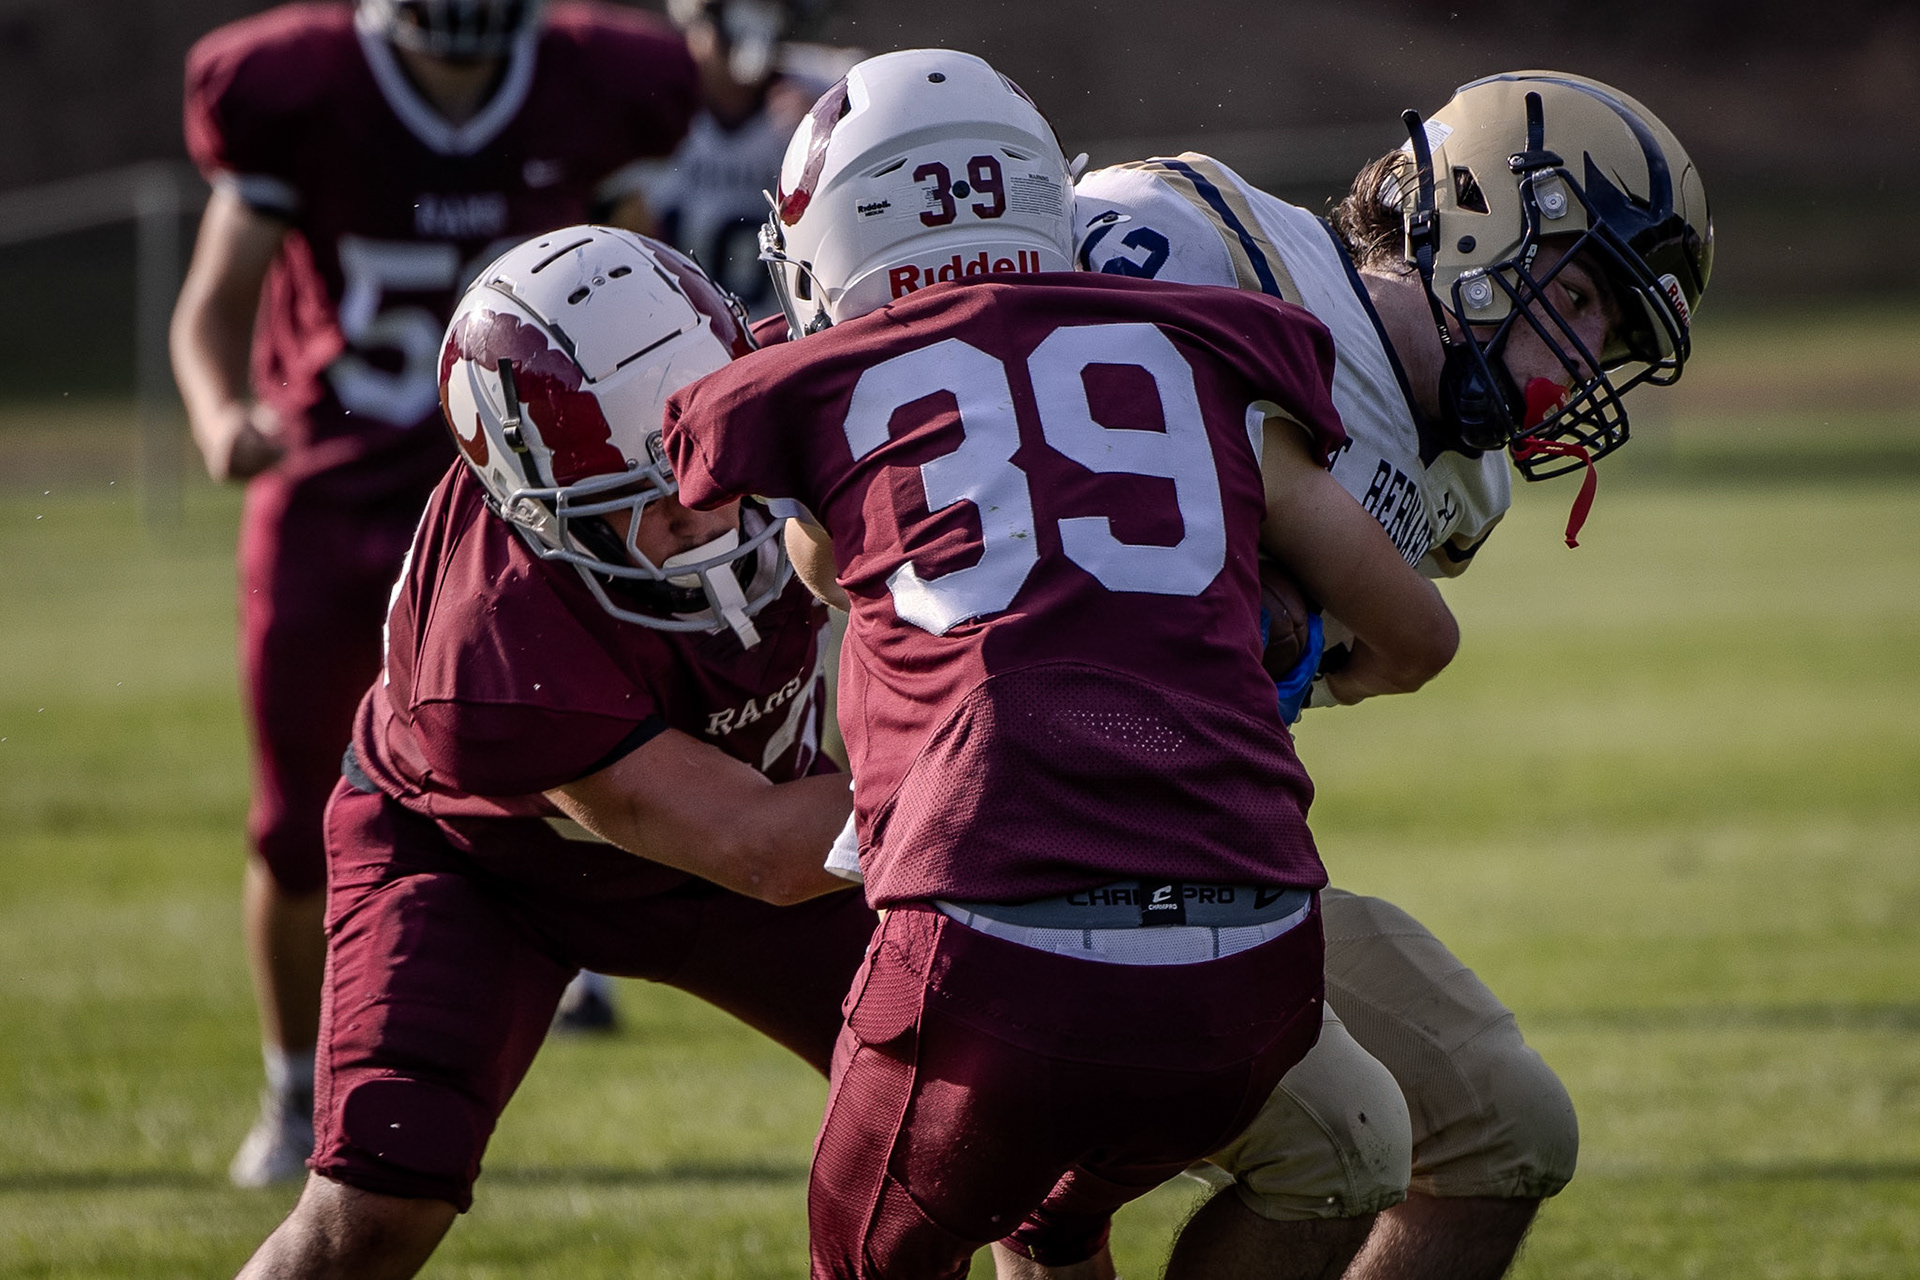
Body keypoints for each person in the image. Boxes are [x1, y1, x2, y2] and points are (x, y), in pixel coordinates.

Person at [662, 49, 1460, 1279]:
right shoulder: (1205, 350)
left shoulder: (818, 387)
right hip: (1254, 958)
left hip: (987, 945)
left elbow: (824, 563)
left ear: (835, 233)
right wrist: (1296, 669)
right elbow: (1418, 639)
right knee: (1073, 1205)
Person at [996, 72, 1712, 1280]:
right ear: (1476, 221)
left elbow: (1317, 664)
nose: (1586, 354)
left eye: (1614, 336)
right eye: (1581, 296)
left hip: (1209, 858)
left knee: (1511, 1129)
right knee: (1326, 1146)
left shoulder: (1456, 492)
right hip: (1023, 832)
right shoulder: (1197, 238)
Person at [233, 227, 877, 1279]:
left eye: (712, 463)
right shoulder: (487, 646)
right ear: (538, 509)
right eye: (652, 500)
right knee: (371, 1211)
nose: (706, 511)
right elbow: (760, 850)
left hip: (772, 802)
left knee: (1004, 1130)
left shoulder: (793, 378)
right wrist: (1012, 788)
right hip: (482, 861)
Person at [169, 0, 698, 1185]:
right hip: (336, 499)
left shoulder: (592, 81)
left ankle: (566, 988)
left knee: (589, 757)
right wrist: (218, 413)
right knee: (293, 815)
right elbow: (212, 302)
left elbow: (644, 287)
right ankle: (294, 1091)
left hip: (524, 518)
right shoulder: (296, 86)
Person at [638, 0, 861, 320]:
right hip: (672, 335)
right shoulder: (647, 100)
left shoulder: (829, 93)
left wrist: (835, 138)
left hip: (783, 336)